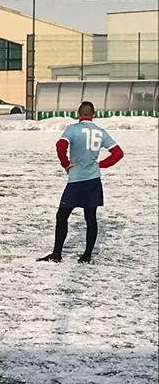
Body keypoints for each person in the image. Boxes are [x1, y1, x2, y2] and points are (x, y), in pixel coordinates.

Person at [39, 101, 124, 264]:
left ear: (78, 113)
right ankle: (87, 255)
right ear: (94, 114)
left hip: (76, 180)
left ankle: (57, 254)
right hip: (93, 181)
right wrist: (101, 164)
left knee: (62, 215)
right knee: (90, 217)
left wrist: (65, 164)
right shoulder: (100, 132)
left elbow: (60, 146)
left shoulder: (72, 129)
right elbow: (118, 153)